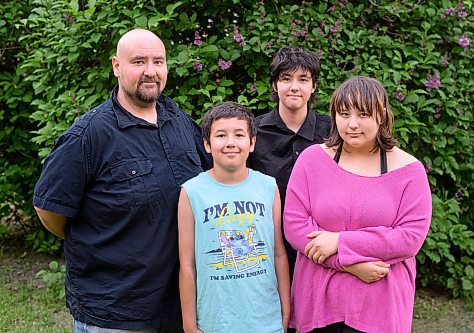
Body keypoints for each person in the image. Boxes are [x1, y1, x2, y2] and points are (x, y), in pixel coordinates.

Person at [33, 29, 211, 332]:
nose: (150, 72)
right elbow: (51, 210)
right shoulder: (88, 136)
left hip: (178, 305)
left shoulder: (180, 122)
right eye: (138, 62)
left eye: (158, 61)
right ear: (117, 66)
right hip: (115, 308)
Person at [284, 76, 432, 333]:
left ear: (382, 115)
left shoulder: (410, 171)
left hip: (379, 306)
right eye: (344, 114)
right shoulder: (312, 160)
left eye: (363, 114)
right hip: (318, 301)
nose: (352, 124)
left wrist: (340, 241)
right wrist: (348, 264)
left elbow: (409, 239)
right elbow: (295, 227)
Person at [178, 102, 290, 333]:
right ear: (207, 144)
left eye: (239, 135)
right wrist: (189, 325)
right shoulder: (191, 192)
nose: (230, 142)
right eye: (220, 135)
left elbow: (279, 253)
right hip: (214, 323)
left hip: (266, 321)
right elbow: (187, 264)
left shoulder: (268, 187)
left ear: (252, 143)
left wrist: (286, 312)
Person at [247, 46, 330, 280]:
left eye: (303, 79)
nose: (294, 87)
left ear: (313, 86)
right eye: (286, 78)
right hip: (268, 242)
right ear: (274, 84)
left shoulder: (333, 132)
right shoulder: (254, 132)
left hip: (320, 240)